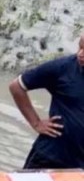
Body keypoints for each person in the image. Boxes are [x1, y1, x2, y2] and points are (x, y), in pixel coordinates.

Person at [9, 33, 84, 170]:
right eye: (80, 47)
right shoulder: (61, 68)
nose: (80, 54)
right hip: (50, 156)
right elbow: (17, 87)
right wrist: (36, 123)